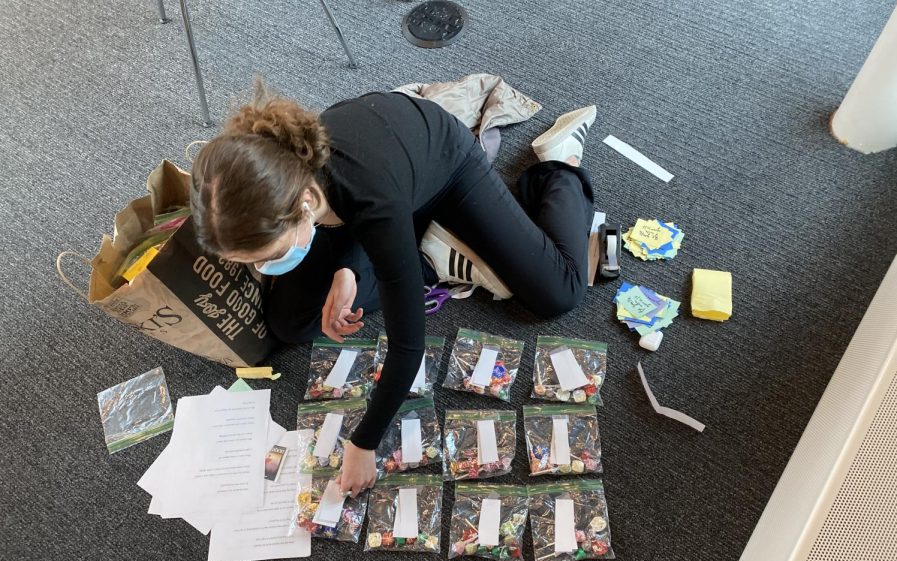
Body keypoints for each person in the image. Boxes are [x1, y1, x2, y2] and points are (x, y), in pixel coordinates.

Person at [190, 82, 597, 496]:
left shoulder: (372, 203)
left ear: (306, 205)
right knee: (289, 322)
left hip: (446, 168)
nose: (265, 268)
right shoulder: (290, 176)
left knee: (559, 291)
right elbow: (339, 212)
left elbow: (408, 347)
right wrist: (346, 269)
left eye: (267, 256)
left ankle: (562, 164)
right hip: (375, 190)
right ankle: (417, 257)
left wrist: (363, 443)